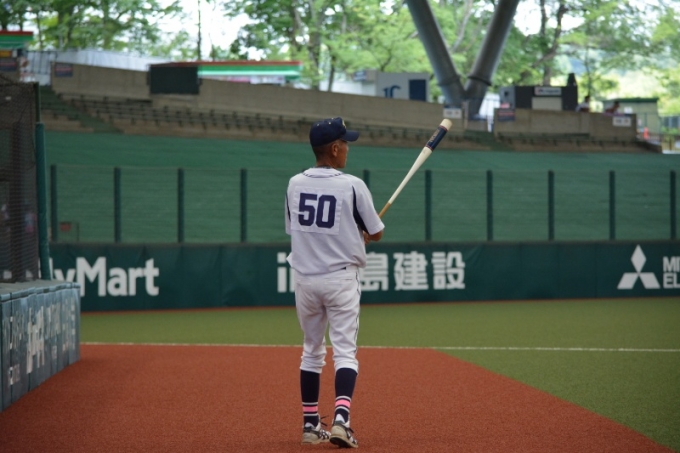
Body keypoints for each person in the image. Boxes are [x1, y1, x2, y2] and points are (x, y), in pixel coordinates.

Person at [285, 117, 384, 448]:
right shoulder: (352, 185)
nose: (348, 150)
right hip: (340, 279)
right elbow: (376, 232)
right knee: (345, 352)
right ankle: (342, 420)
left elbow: (299, 229)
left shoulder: (294, 183)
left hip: (305, 280)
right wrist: (361, 235)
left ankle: (310, 424)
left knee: (311, 351)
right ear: (335, 149)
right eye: (345, 144)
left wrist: (353, 234)